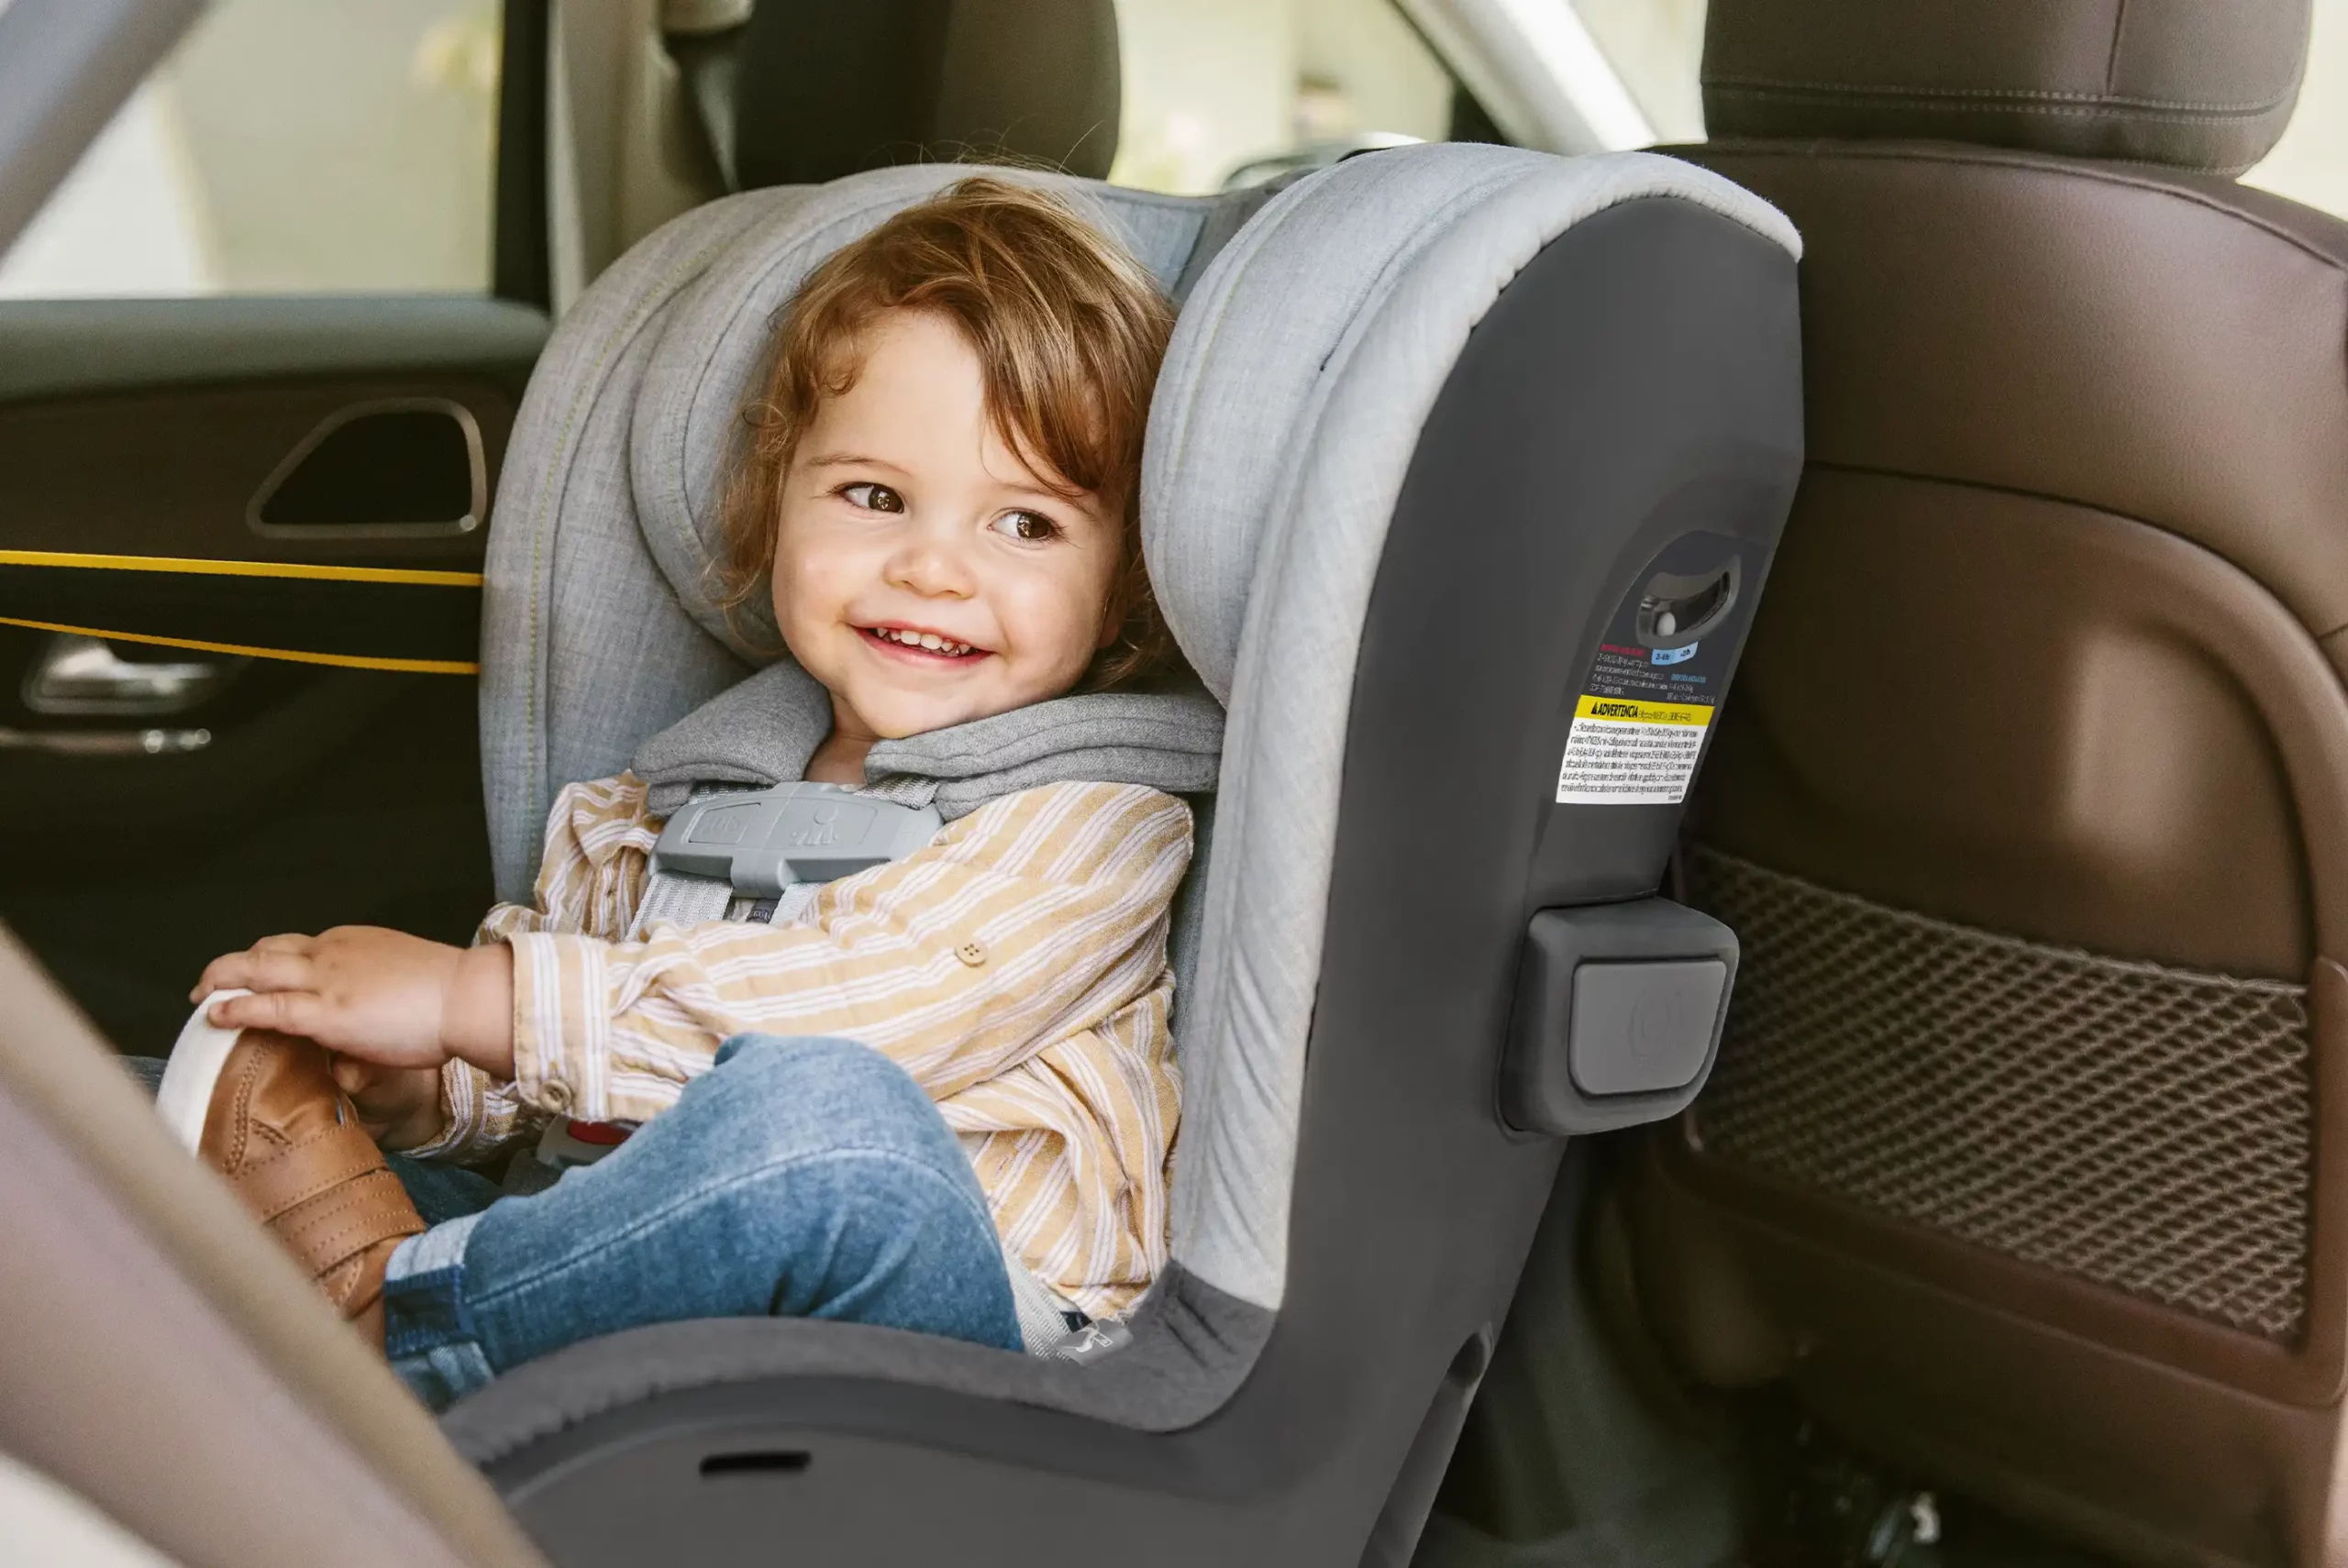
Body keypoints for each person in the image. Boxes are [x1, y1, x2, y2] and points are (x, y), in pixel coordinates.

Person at [176, 177, 1194, 1408]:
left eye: (1025, 523)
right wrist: (423, 1087)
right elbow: (541, 1090)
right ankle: (239, 1329)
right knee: (144, 1125)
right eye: (875, 497)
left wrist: (468, 998)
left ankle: (382, 1345)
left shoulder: (1092, 826)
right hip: (591, 1260)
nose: (933, 565)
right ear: (774, 509)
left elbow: (858, 1014)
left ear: (1125, 584)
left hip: (955, 1325)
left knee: (832, 1127)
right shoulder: (657, 806)